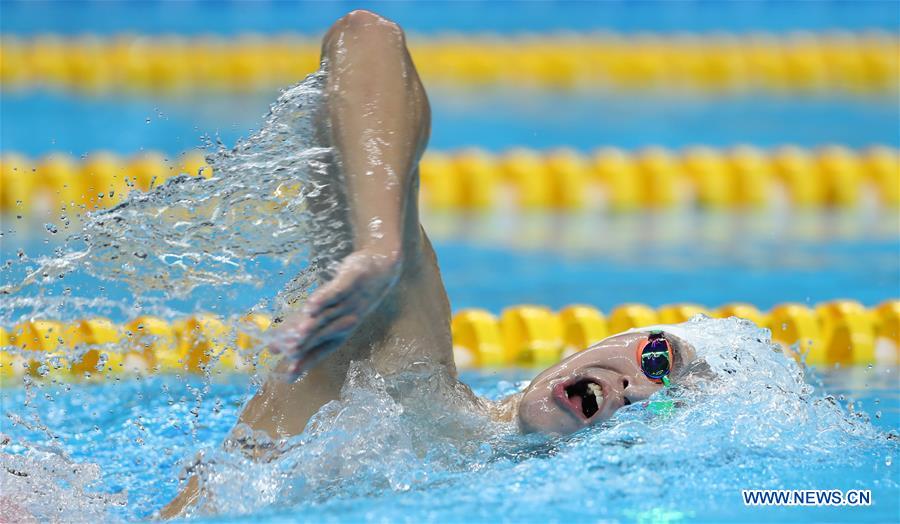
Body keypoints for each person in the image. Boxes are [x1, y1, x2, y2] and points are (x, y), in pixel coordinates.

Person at [160, 9, 697, 517]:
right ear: (608, 340)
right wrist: (378, 246)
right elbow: (365, 38)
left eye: (661, 412)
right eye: (658, 359)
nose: (639, 392)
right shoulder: (403, 377)